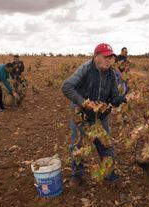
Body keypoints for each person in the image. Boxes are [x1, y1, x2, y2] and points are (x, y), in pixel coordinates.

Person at [62, 43, 127, 187]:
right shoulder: (86, 68)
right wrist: (82, 102)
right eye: (105, 57)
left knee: (106, 145)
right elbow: (66, 87)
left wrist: (122, 99)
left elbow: (114, 97)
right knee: (77, 146)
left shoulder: (112, 74)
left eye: (110, 57)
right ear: (96, 56)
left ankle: (111, 176)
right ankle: (77, 175)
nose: (108, 60)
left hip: (100, 116)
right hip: (81, 114)